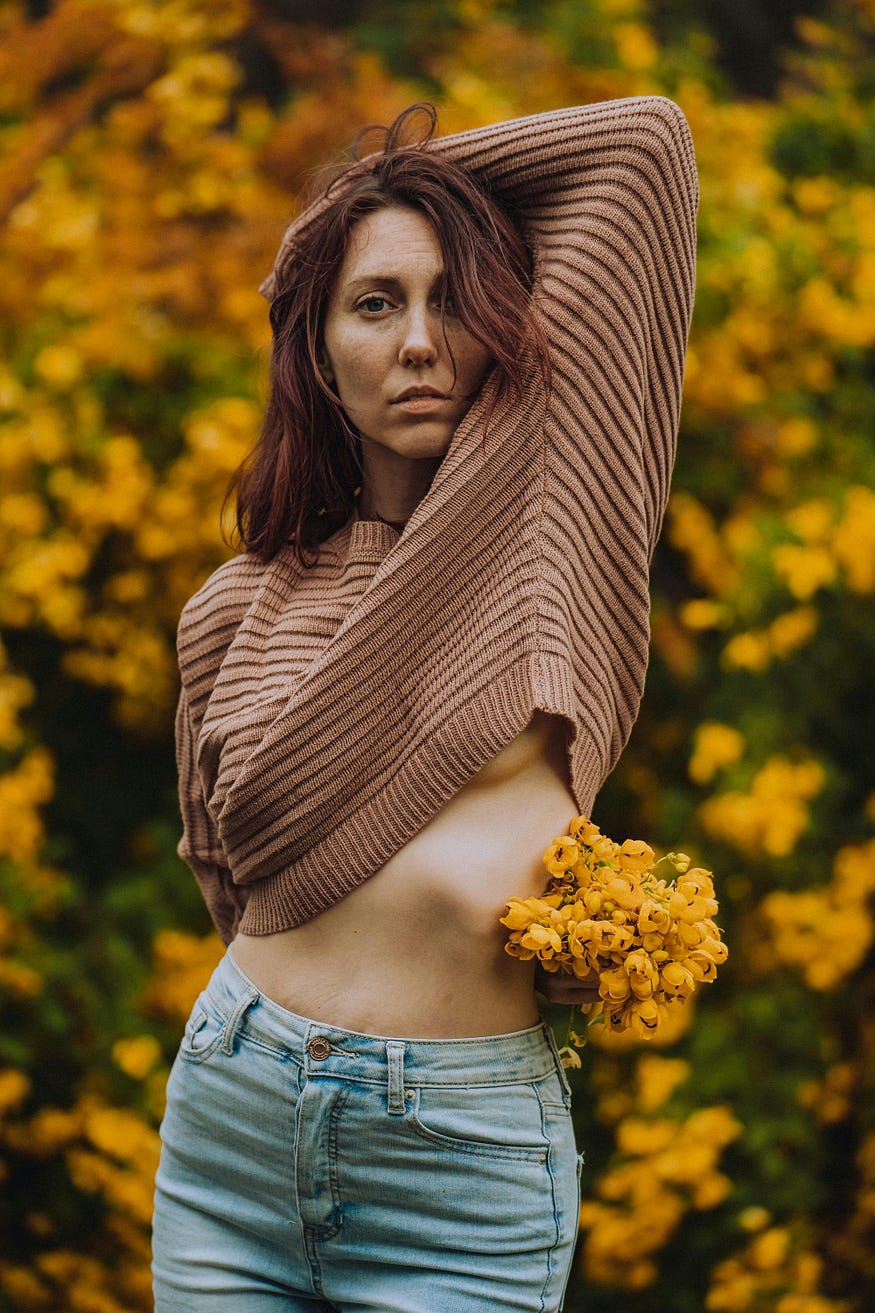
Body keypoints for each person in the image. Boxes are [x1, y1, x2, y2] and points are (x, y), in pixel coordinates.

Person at [152, 93, 698, 1313]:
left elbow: (645, 149)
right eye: (372, 301)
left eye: (452, 300)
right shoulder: (233, 607)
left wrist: (352, 205)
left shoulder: (550, 538)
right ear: (319, 349)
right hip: (231, 1124)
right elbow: (222, 878)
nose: (416, 341)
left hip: (456, 1159)